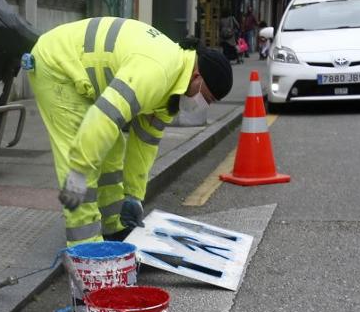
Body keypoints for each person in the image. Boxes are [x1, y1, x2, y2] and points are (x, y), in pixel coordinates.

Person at [28, 18, 234, 246]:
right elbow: (102, 121)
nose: (202, 105)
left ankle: (113, 227)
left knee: (113, 150)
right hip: (57, 66)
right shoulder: (158, 72)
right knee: (84, 162)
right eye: (206, 98)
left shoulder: (173, 90)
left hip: (81, 71)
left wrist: (134, 196)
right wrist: (77, 172)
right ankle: (86, 249)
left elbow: (145, 143)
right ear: (197, 77)